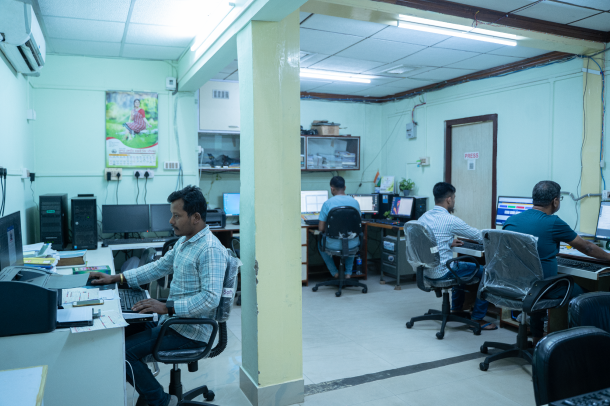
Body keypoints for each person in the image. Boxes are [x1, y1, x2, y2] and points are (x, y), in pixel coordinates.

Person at [89, 186, 228, 406]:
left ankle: (159, 400)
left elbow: (210, 298)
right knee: (118, 334)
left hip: (191, 332)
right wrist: (116, 278)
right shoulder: (185, 242)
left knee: (123, 353)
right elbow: (157, 267)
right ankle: (149, 394)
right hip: (173, 323)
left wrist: (167, 307)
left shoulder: (210, 249)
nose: (171, 221)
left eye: (176, 215)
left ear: (196, 217)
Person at [503, 180, 610, 345]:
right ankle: (583, 343)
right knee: (588, 297)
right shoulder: (553, 222)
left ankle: (538, 339)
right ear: (555, 201)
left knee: (539, 284)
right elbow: (588, 248)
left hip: (516, 284)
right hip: (542, 288)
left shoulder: (511, 221)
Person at [418, 182, 497, 331]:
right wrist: (501, 239)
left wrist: (447, 242)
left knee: (461, 267)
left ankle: (456, 309)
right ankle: (478, 318)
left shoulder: (424, 217)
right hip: (443, 271)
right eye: (454, 198)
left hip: (426, 271)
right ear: (448, 199)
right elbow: (479, 236)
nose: (454, 201)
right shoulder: (450, 220)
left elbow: (429, 241)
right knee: (488, 272)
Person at [317, 176, 361, 278]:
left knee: (320, 245)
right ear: (345, 187)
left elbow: (321, 229)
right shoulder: (355, 202)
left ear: (332, 189)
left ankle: (335, 273)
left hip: (333, 244)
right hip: (353, 243)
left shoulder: (327, 204)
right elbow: (358, 224)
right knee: (351, 241)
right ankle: (348, 273)